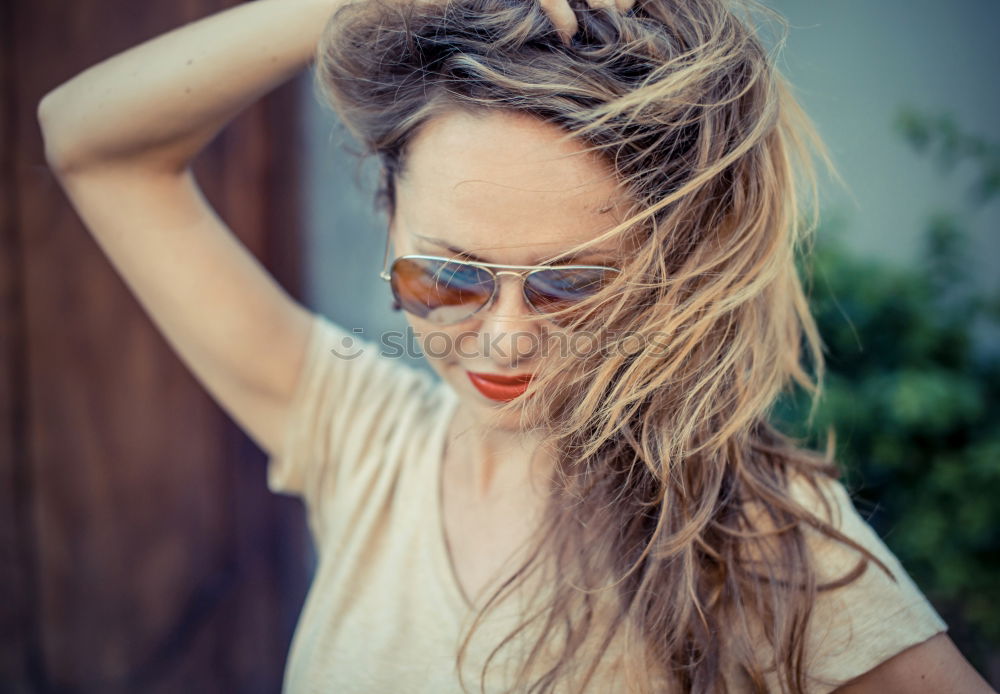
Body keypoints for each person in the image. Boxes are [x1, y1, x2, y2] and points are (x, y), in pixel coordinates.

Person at [37, 0, 996, 692]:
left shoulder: (748, 532)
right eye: (444, 278)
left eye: (573, 284)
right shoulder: (364, 440)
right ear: (386, 217)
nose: (501, 337)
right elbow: (86, 140)